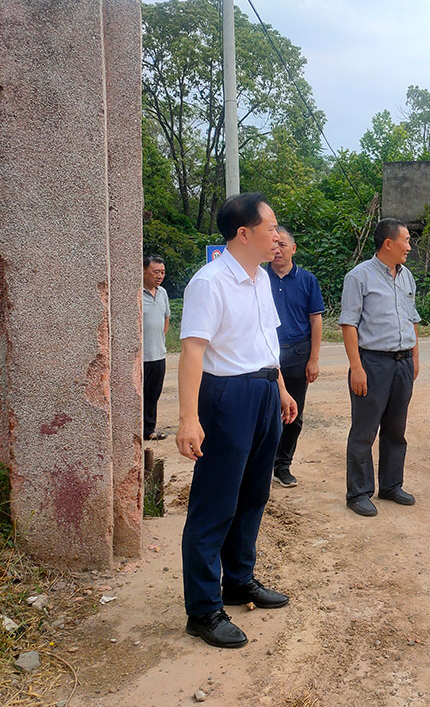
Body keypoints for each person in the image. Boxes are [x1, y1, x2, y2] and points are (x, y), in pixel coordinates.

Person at [176, 192, 297, 649]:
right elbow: (193, 351)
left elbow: (266, 340)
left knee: (253, 495)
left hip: (264, 391)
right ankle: (203, 610)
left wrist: (280, 387)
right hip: (227, 396)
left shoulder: (261, 278)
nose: (278, 236)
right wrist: (189, 418)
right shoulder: (210, 282)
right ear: (243, 233)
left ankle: (239, 580)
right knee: (215, 503)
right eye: (271, 228)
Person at [339, 218, 421, 518]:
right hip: (372, 363)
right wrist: (356, 367)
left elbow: (412, 319)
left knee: (396, 429)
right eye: (406, 240)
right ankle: (358, 492)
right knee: (364, 430)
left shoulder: (406, 276)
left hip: (402, 362)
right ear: (388, 243)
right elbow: (348, 324)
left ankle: (391, 485)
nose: (409, 247)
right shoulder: (359, 277)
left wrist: (415, 358)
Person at [267, 226, 325, 488]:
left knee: (293, 414)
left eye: (282, 244)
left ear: (294, 248)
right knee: (264, 412)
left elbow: (315, 321)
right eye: (274, 244)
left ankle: (282, 465)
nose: (277, 249)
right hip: (266, 354)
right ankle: (261, 464)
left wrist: (313, 359)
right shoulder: (259, 277)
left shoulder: (307, 280)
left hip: (298, 353)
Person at [142, 255, 170, 441]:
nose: (159, 276)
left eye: (162, 272)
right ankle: (135, 429)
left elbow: (166, 317)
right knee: (139, 396)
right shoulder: (136, 293)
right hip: (141, 357)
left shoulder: (163, 293)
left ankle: (149, 430)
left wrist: (161, 338)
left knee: (153, 394)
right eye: (155, 272)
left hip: (158, 354)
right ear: (144, 271)